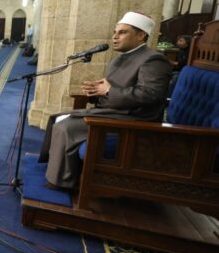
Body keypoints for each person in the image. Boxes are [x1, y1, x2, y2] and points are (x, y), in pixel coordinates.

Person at [38, 12, 172, 190]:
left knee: (66, 126)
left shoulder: (153, 60)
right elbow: (113, 90)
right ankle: (59, 170)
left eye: (122, 32)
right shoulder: (120, 58)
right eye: (115, 32)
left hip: (135, 118)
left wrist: (108, 90)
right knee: (58, 117)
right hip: (116, 111)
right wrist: (96, 92)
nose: (115, 37)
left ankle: (62, 181)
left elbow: (150, 95)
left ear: (141, 35)